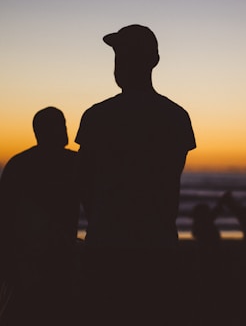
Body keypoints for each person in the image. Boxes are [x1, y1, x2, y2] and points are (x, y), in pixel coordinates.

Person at [75, 24, 196, 325]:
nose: (119, 64)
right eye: (118, 56)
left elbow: (84, 183)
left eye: (124, 56)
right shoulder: (176, 117)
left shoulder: (97, 116)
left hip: (107, 246)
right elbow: (170, 178)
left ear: (151, 61)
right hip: (158, 245)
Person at [0, 107, 79, 326]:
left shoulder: (18, 163)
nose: (65, 129)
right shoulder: (74, 163)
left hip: (36, 257)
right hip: (39, 258)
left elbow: (4, 217)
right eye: (61, 124)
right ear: (44, 130)